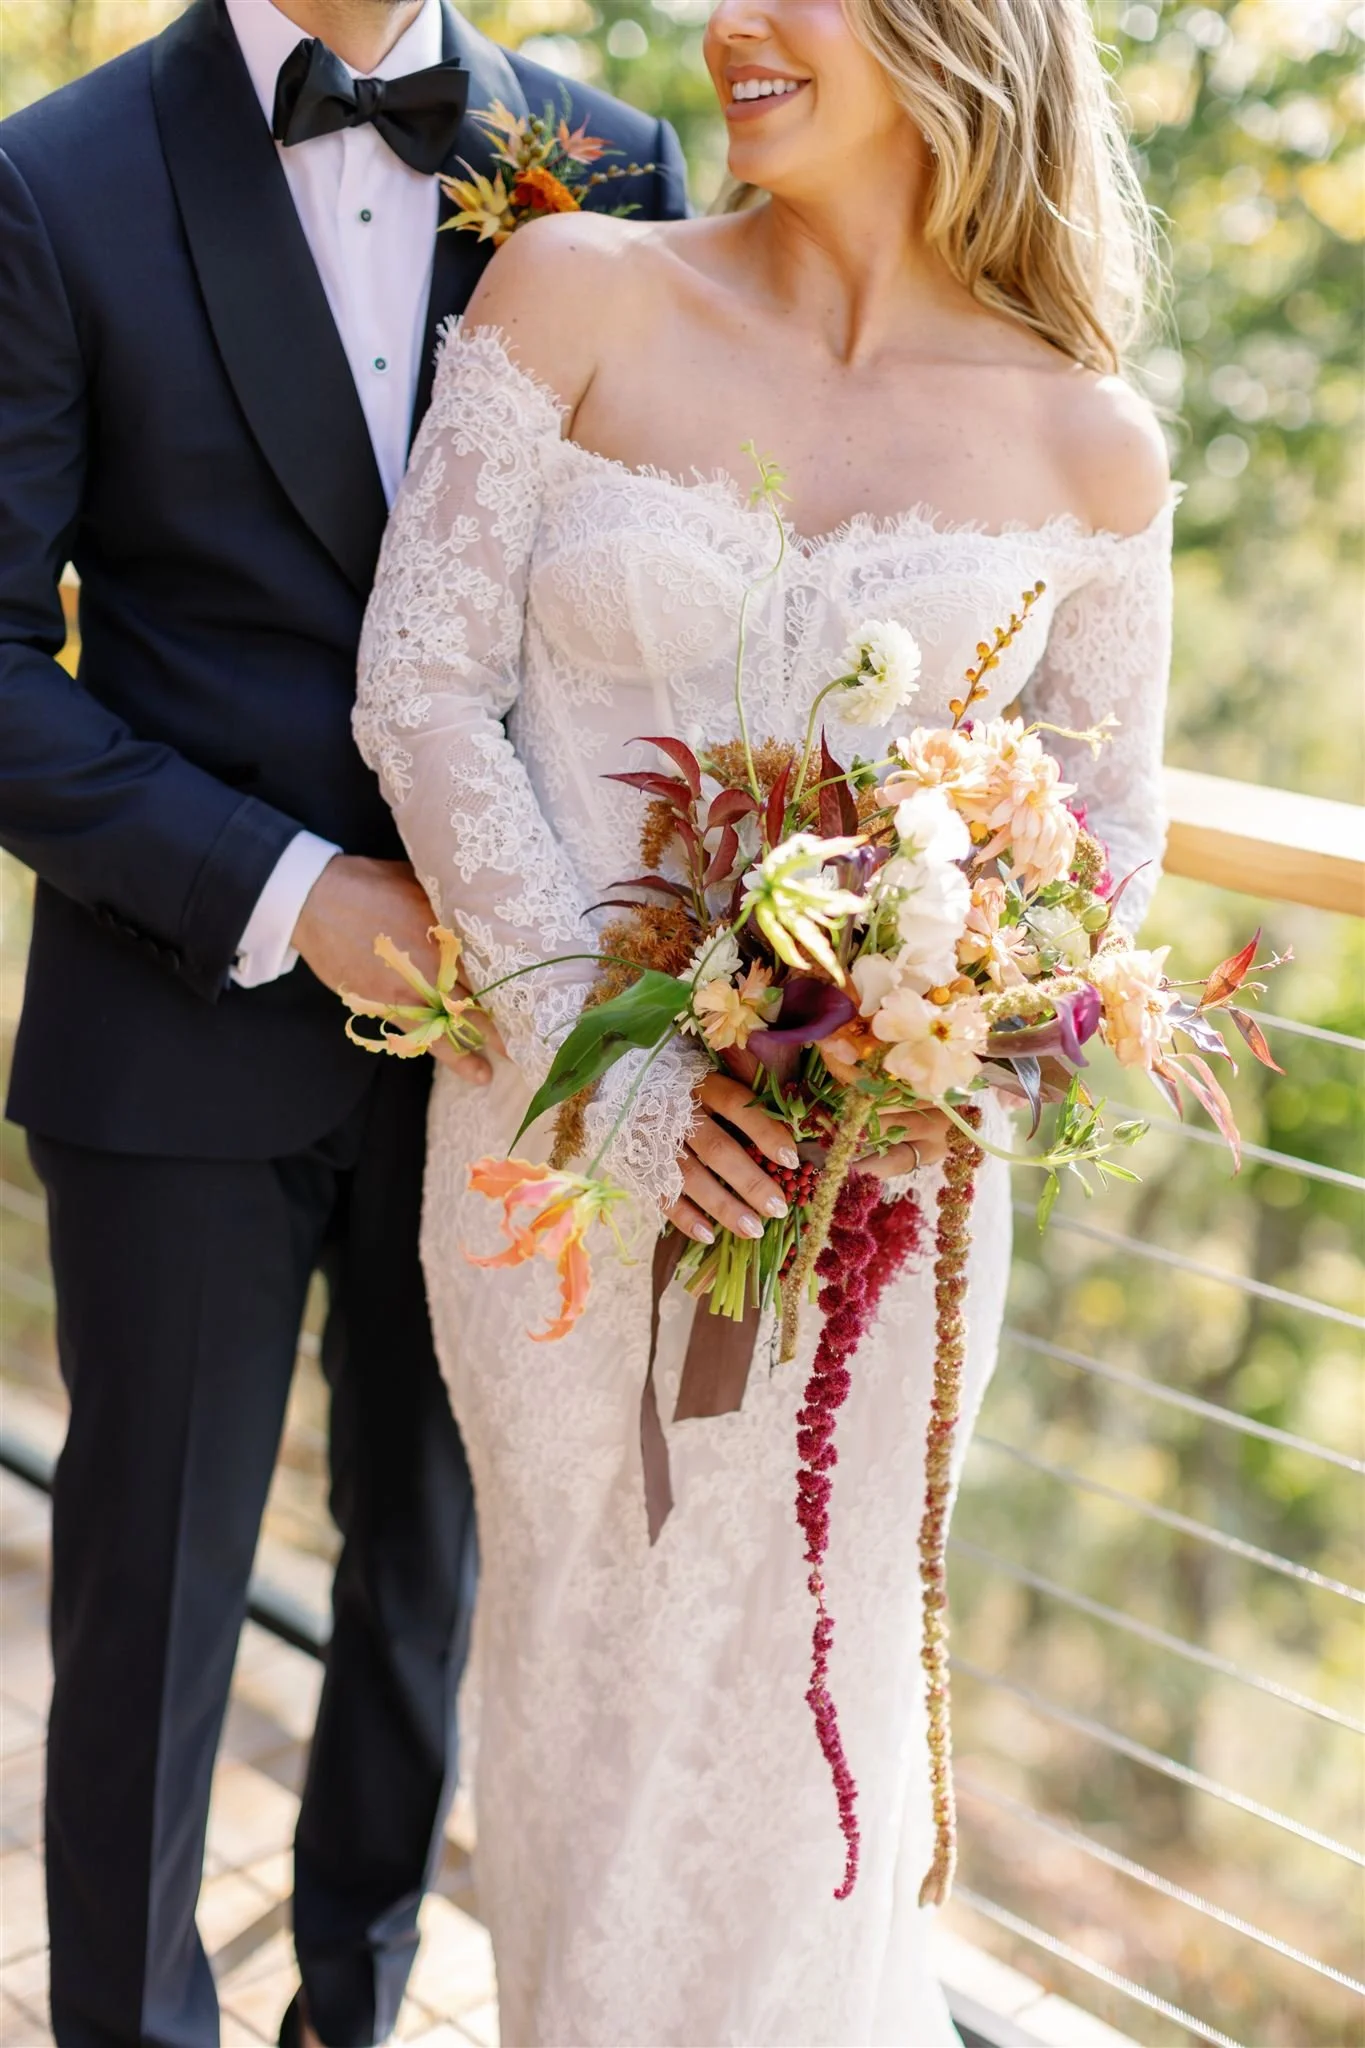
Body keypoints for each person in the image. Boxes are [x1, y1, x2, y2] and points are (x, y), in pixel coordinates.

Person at [354, 0, 1174, 2038]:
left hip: (878, 1216)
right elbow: (421, 687)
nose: (732, 27)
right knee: (592, 1691)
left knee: (830, 1718)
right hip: (559, 1166)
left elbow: (1104, 848)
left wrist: (949, 1041)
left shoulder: (1091, 440)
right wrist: (603, 1058)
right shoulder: (575, 290)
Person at [0, 0, 686, 2039]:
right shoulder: (56, 177)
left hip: (512, 1036)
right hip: (178, 1012)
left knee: (424, 1584)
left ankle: (357, 2007)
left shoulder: (613, 157)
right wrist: (296, 897)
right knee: (153, 1614)